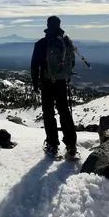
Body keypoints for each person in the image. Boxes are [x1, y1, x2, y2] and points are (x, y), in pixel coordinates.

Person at [31, 16, 77, 158]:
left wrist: (35, 83)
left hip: (47, 82)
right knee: (64, 110)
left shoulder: (41, 43)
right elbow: (72, 63)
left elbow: (35, 65)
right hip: (62, 82)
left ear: (47, 25)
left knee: (48, 112)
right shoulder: (66, 43)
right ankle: (71, 145)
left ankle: (52, 144)